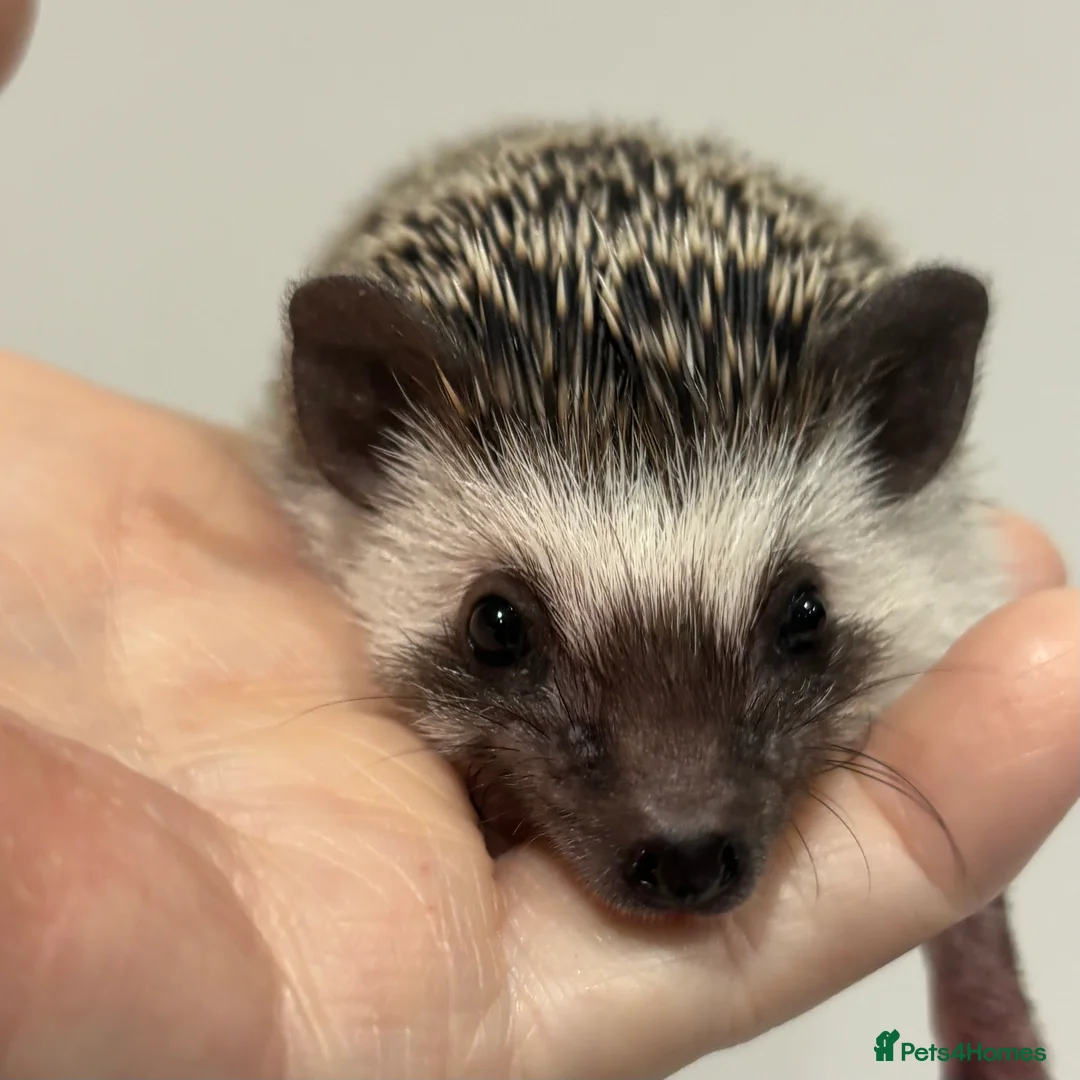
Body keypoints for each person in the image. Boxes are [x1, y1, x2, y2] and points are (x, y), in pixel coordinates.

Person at [0, 4, 1076, 1076]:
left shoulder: (922, 560)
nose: (683, 811)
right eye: (505, 631)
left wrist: (976, 972)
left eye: (797, 622)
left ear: (904, 432)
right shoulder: (316, 519)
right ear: (359, 446)